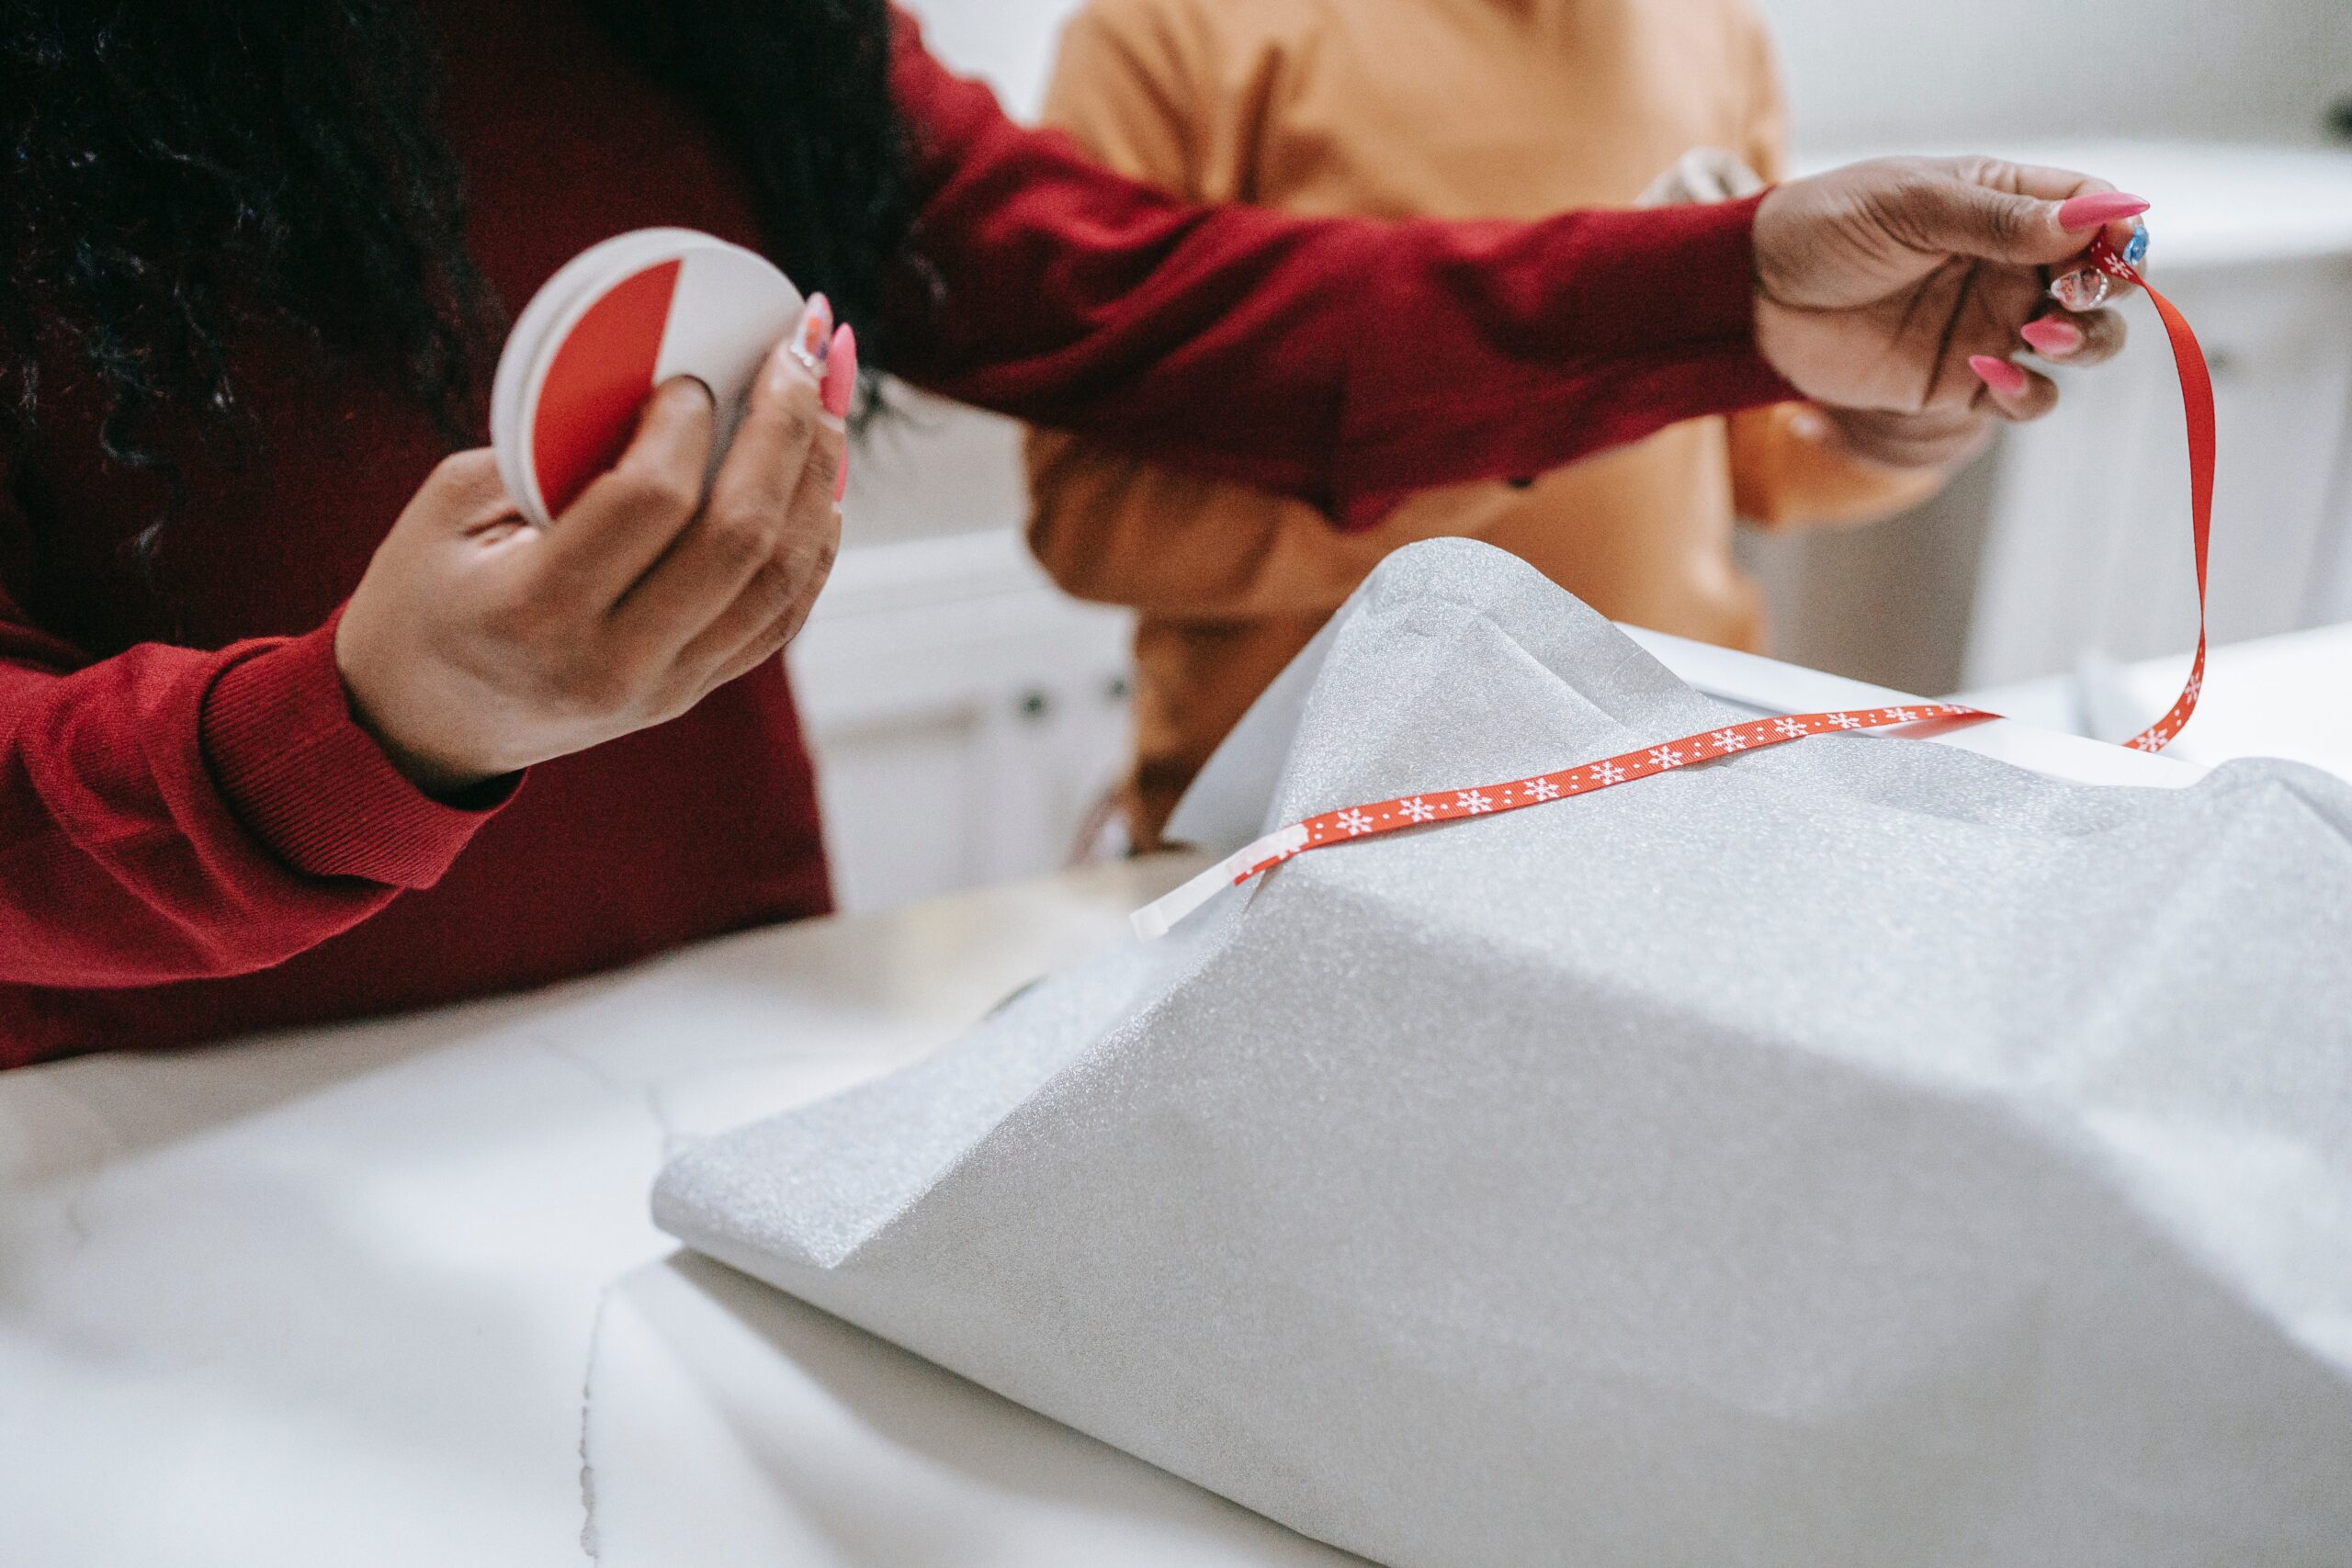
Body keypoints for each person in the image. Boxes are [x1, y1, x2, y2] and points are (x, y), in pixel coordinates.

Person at [0, 0, 2142, 1066]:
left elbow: (1159, 300)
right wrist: (358, 729)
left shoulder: (740, 33)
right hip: (142, 1142)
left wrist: (1718, 295)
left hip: (684, 1050)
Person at [1026, 0, 2000, 846]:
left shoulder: (1713, 25)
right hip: (1302, 838)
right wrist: (1536, 411)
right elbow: (1095, 519)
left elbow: (1746, 455)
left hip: (1660, 795)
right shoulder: (1166, 30)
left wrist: (1888, 438)